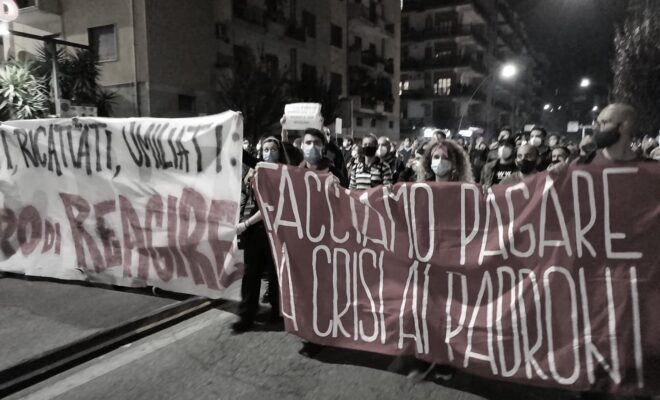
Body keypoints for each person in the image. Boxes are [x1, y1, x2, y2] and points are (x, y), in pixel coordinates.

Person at [389, 139, 472, 383]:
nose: (439, 162)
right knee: (424, 310)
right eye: (435, 157)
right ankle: (425, 355)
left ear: (454, 164)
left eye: (444, 158)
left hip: (454, 261)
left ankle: (446, 359)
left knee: (449, 313)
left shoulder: (468, 192)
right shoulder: (419, 190)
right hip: (424, 261)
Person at [232, 137, 289, 334]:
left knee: (274, 273)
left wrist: (245, 224)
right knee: (251, 273)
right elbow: (241, 154)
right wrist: (234, 130)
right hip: (255, 232)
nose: (269, 153)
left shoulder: (282, 174)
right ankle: (246, 313)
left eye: (274, 149)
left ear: (280, 153)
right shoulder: (256, 170)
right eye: (265, 149)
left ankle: (277, 310)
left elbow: (269, 207)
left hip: (274, 229)